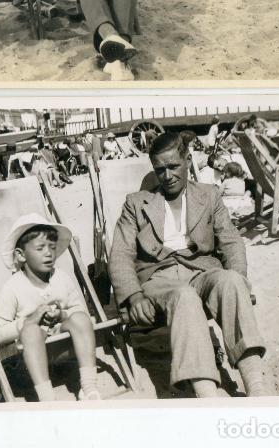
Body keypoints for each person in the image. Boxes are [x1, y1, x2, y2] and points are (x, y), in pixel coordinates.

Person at [108, 132, 270, 398]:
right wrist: (134, 295)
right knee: (184, 296)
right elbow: (121, 254)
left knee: (229, 281)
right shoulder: (136, 203)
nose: (167, 175)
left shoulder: (209, 195)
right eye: (160, 170)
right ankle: (207, 395)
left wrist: (240, 278)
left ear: (187, 160)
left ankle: (257, 388)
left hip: (201, 270)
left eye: (173, 166)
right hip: (158, 278)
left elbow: (231, 241)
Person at [0, 214, 100, 401]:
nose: (49, 253)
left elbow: (80, 311)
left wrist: (62, 315)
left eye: (52, 247)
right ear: (20, 255)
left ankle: (89, 387)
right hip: (31, 352)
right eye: (40, 248)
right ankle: (47, 397)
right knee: (31, 331)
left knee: (81, 318)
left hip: (65, 343)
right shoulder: (12, 287)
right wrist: (27, 322)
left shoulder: (62, 278)